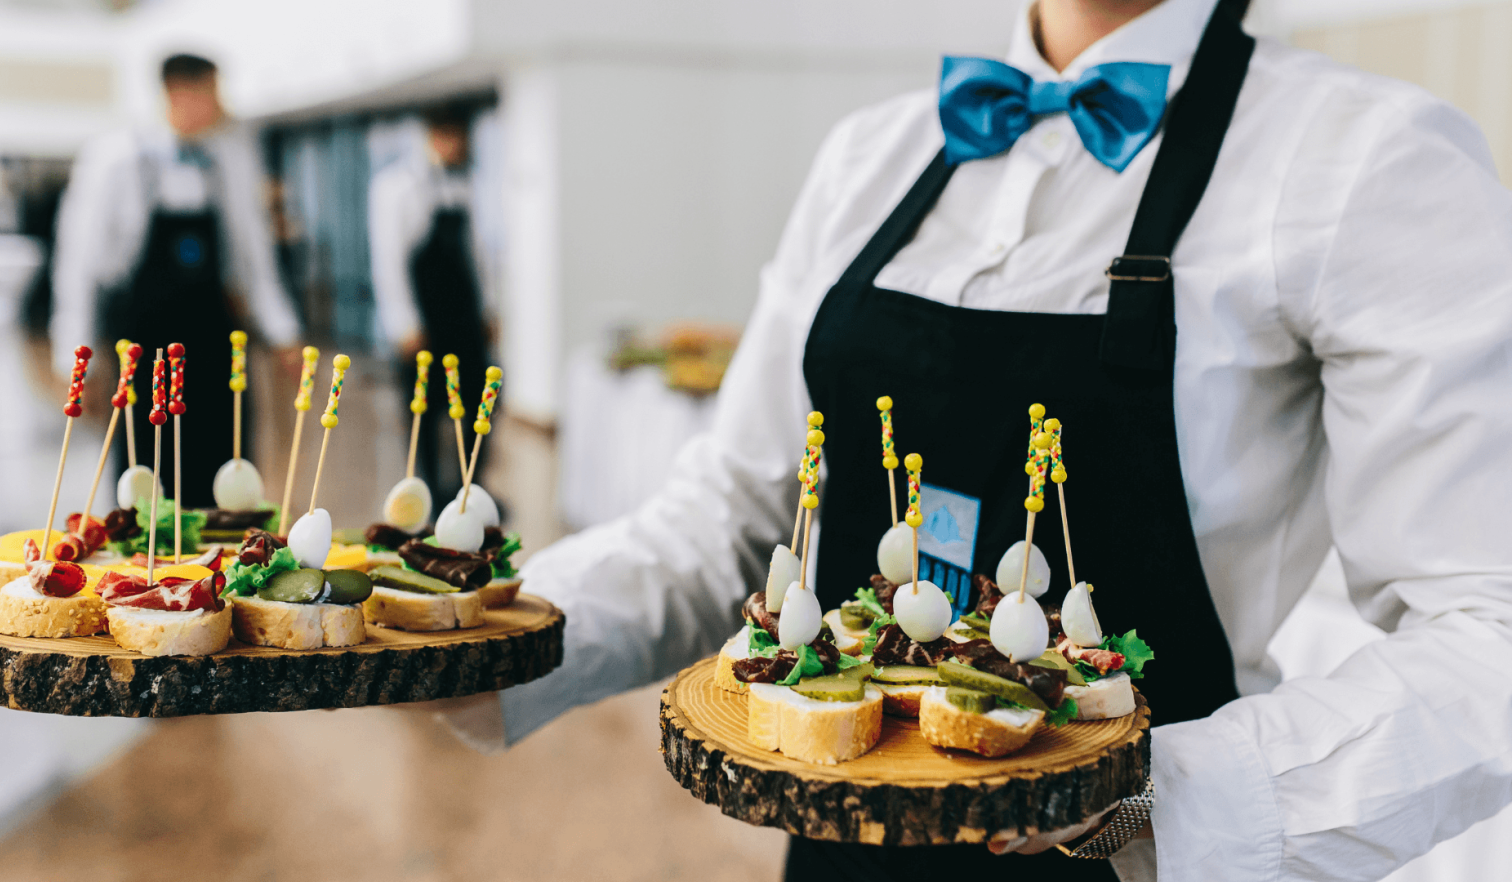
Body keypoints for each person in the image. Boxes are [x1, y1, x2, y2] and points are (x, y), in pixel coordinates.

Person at [443, 0, 1512, 879]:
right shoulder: (871, 152)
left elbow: (1490, 630)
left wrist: (1139, 800)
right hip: (841, 849)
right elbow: (736, 512)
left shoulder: (1370, 160)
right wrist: (475, 645)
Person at [51, 53, 301, 508]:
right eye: (210, 92)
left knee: (225, 459)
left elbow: (254, 256)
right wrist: (75, 355)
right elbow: (78, 263)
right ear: (176, 92)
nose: (218, 105)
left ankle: (219, 564)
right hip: (144, 335)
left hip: (213, 332)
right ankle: (144, 568)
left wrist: (284, 332)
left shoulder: (230, 157)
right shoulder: (116, 159)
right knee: (145, 465)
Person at [368, 100, 491, 512]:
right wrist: (403, 322)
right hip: (425, 320)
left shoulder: (467, 184)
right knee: (425, 408)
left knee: (476, 402)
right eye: (449, 136)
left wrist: (487, 308)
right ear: (432, 137)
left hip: (464, 316)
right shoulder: (397, 186)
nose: (457, 146)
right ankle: (425, 494)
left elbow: (477, 255)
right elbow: (389, 260)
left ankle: (470, 487)